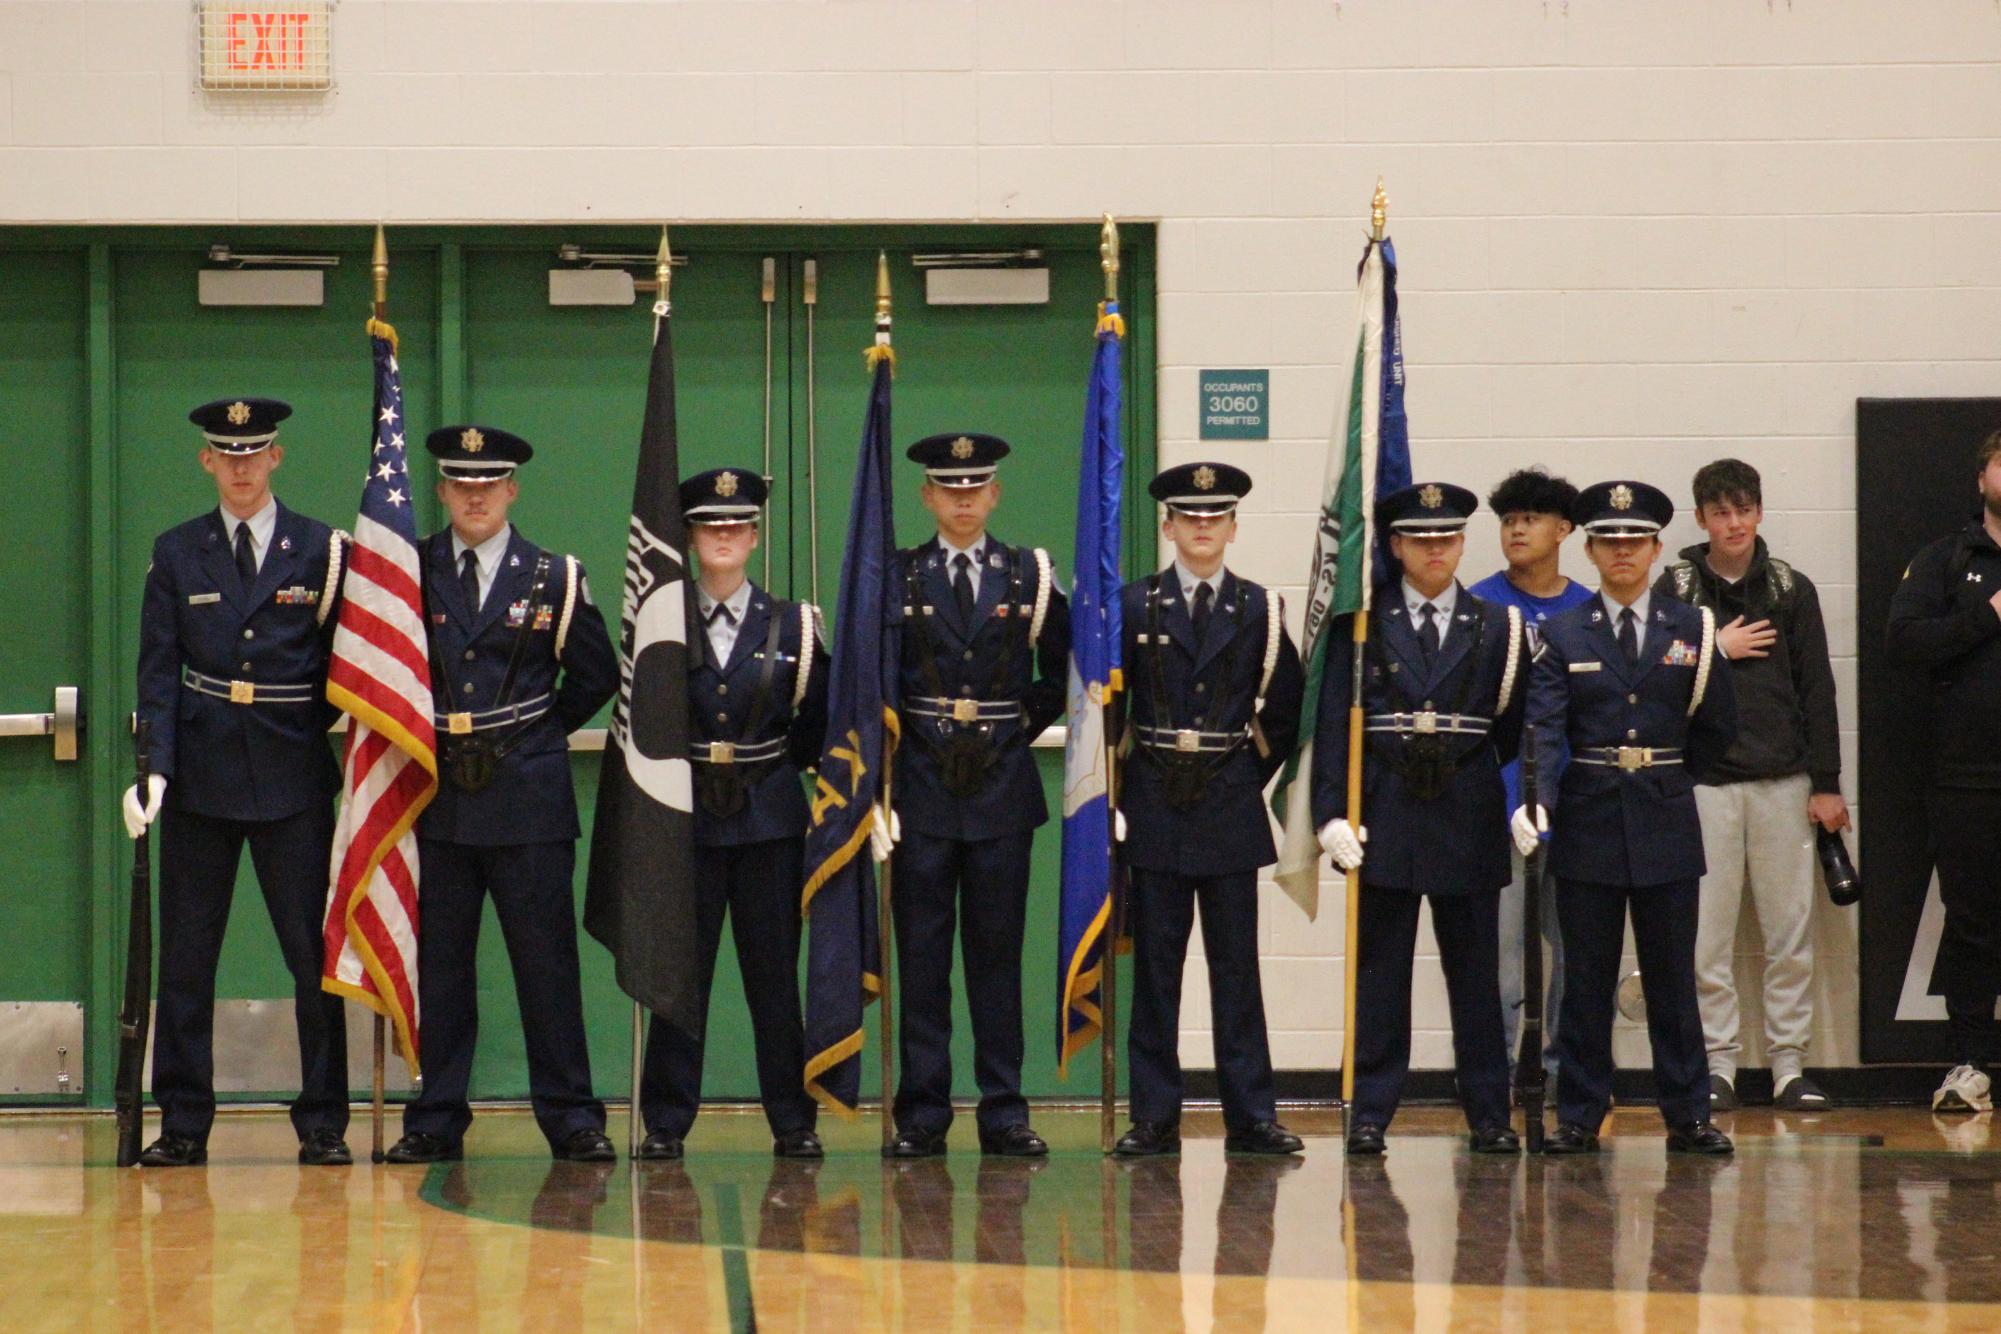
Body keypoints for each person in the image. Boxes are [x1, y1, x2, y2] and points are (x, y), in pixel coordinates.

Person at [127, 397, 352, 1167]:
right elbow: (157, 673)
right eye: (229, 453)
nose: (243, 466)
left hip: (293, 777)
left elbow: (347, 669)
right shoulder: (177, 552)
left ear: (277, 457)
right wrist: (154, 769)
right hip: (200, 777)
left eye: (255, 452)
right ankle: (183, 1121)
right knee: (188, 960)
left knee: (312, 960)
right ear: (207, 462)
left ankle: (323, 1120)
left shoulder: (322, 551)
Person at [384, 425, 618, 1164]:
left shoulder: (554, 576)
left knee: (546, 966)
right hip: (438, 795)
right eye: (461, 482)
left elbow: (596, 676)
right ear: (444, 491)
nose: (475, 494)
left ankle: (573, 1116)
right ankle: (434, 1116)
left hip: (527, 796)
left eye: (490, 483)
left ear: (512, 489)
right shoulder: (407, 572)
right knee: (443, 969)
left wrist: (533, 735)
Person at [1520, 480, 1739, 1155]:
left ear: (1655, 548)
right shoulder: (1558, 633)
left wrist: (1664, 777)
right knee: (1584, 978)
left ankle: (1687, 1114)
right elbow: (1544, 728)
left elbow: (1717, 728)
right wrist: (1537, 800)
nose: (1622, 552)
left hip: (1666, 817)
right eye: (1609, 541)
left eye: (1634, 541)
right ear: (1587, 550)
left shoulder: (1691, 627)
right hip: (1587, 817)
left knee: (1673, 976)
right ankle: (1581, 1113)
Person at [1313, 482, 1528, 1156]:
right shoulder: (1360, 625)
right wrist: (1329, 816)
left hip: (1465, 812)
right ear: (1396, 546)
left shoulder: (1497, 626)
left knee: (1475, 978)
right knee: (1380, 975)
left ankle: (1489, 1114)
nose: (1434, 550)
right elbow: (1331, 730)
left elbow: (1514, 728)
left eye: (1446, 538)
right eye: (1419, 539)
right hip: (1387, 812)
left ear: (1461, 543)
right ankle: (1372, 1112)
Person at [876, 432, 1069, 1159]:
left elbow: (1061, 667)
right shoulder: (898, 575)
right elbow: (878, 676)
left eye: (974, 487)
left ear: (993, 494)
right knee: (922, 959)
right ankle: (922, 1114)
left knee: (996, 957)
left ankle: (1003, 1110)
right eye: (947, 487)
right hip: (920, 786)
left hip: (999, 791)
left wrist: (1016, 725)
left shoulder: (1030, 576)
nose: (962, 499)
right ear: (927, 496)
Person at [1111, 462, 1305, 1158]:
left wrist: (1242, 772)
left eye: (1214, 516)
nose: (1201, 526)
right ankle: (1153, 1117)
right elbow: (1108, 708)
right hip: (1155, 801)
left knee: (1236, 971)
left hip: (1225, 804)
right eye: (1188, 516)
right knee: (1156, 973)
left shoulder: (1260, 608)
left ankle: (1251, 1118)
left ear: (1231, 526)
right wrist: (1115, 792)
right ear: (1167, 525)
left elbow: (1286, 707)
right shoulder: (1132, 606)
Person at [635, 468, 827, 1161]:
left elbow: (814, 726)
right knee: (678, 979)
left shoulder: (793, 624)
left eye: (735, 525)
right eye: (709, 525)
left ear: (753, 535)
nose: (723, 535)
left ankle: (792, 1121)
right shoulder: (659, 620)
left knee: (773, 978)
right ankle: (665, 1121)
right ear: (688, 536)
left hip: (767, 820)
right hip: (684, 822)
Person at [1655, 458, 1845, 1112]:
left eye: (1743, 509)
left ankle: (1789, 1066)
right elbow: (1656, 670)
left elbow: (1818, 691)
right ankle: (1717, 1068)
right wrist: (1713, 646)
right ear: (1701, 518)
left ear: (1758, 512)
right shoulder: (1674, 589)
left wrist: (1826, 783)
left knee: (1787, 932)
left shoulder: (1791, 589)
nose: (1733, 523)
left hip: (1784, 783)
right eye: (1719, 512)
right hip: (1702, 785)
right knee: (1705, 937)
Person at [1886, 428, 2001, 1114]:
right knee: (1972, 923)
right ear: (1982, 475)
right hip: (1967, 778)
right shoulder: (1944, 559)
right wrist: (1987, 614)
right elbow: (1905, 644)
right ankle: (1969, 1066)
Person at [1468, 468, 1595, 1079]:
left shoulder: (1588, 611)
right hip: (1497, 805)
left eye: (1531, 519)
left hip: (1576, 805)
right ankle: (1493, 1079)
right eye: (1509, 520)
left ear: (1564, 529)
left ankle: (1563, 1074)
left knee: (1575, 952)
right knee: (1501, 958)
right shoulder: (1480, 605)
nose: (1517, 529)